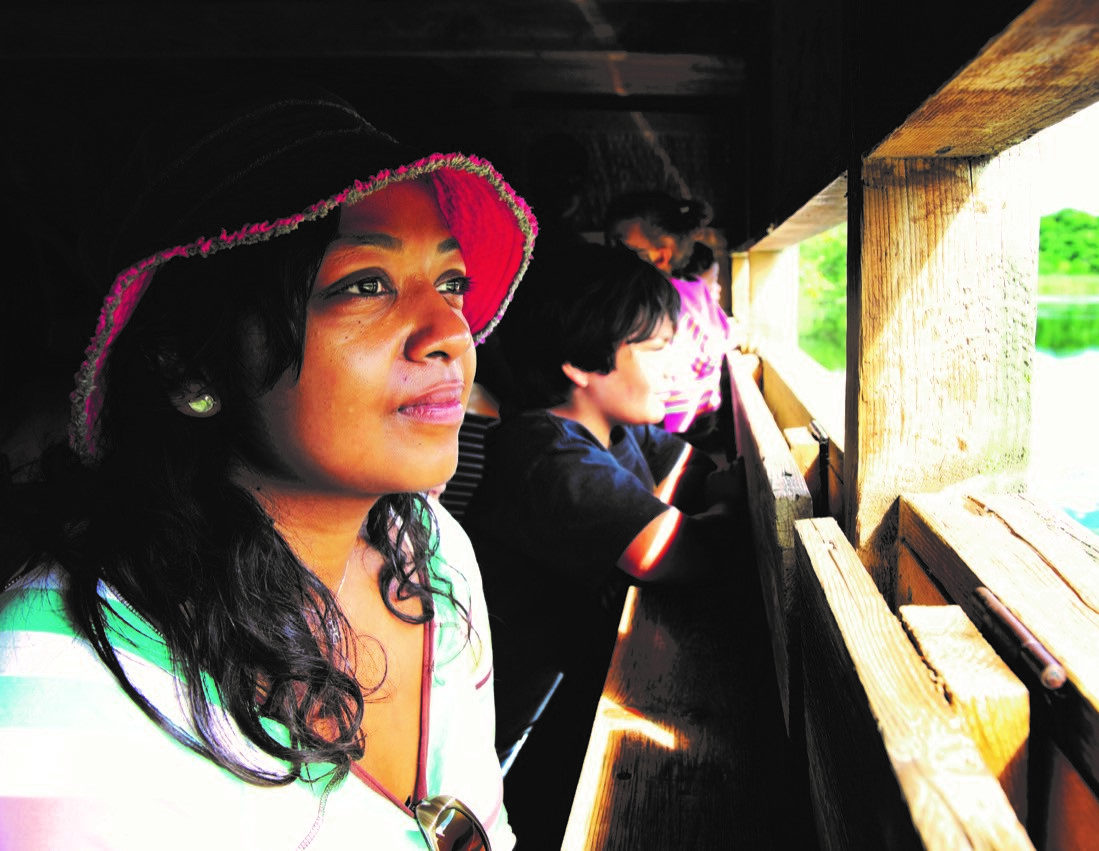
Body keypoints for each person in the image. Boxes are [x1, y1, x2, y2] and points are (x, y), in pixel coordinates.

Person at [0, 91, 536, 850]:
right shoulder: (63, 671)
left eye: (451, 284)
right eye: (365, 285)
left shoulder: (430, 550)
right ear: (191, 364)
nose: (450, 332)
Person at [460, 243, 746, 843]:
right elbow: (682, 553)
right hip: (508, 736)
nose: (676, 366)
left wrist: (719, 497)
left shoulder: (617, 432)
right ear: (581, 363)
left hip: (569, 690)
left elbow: (700, 480)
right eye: (656, 349)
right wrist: (724, 506)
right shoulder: (545, 457)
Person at [604, 191, 734, 448]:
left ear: (661, 256)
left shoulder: (643, 304)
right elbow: (725, 335)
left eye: (621, 248)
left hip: (662, 426)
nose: (611, 256)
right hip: (706, 417)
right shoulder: (698, 290)